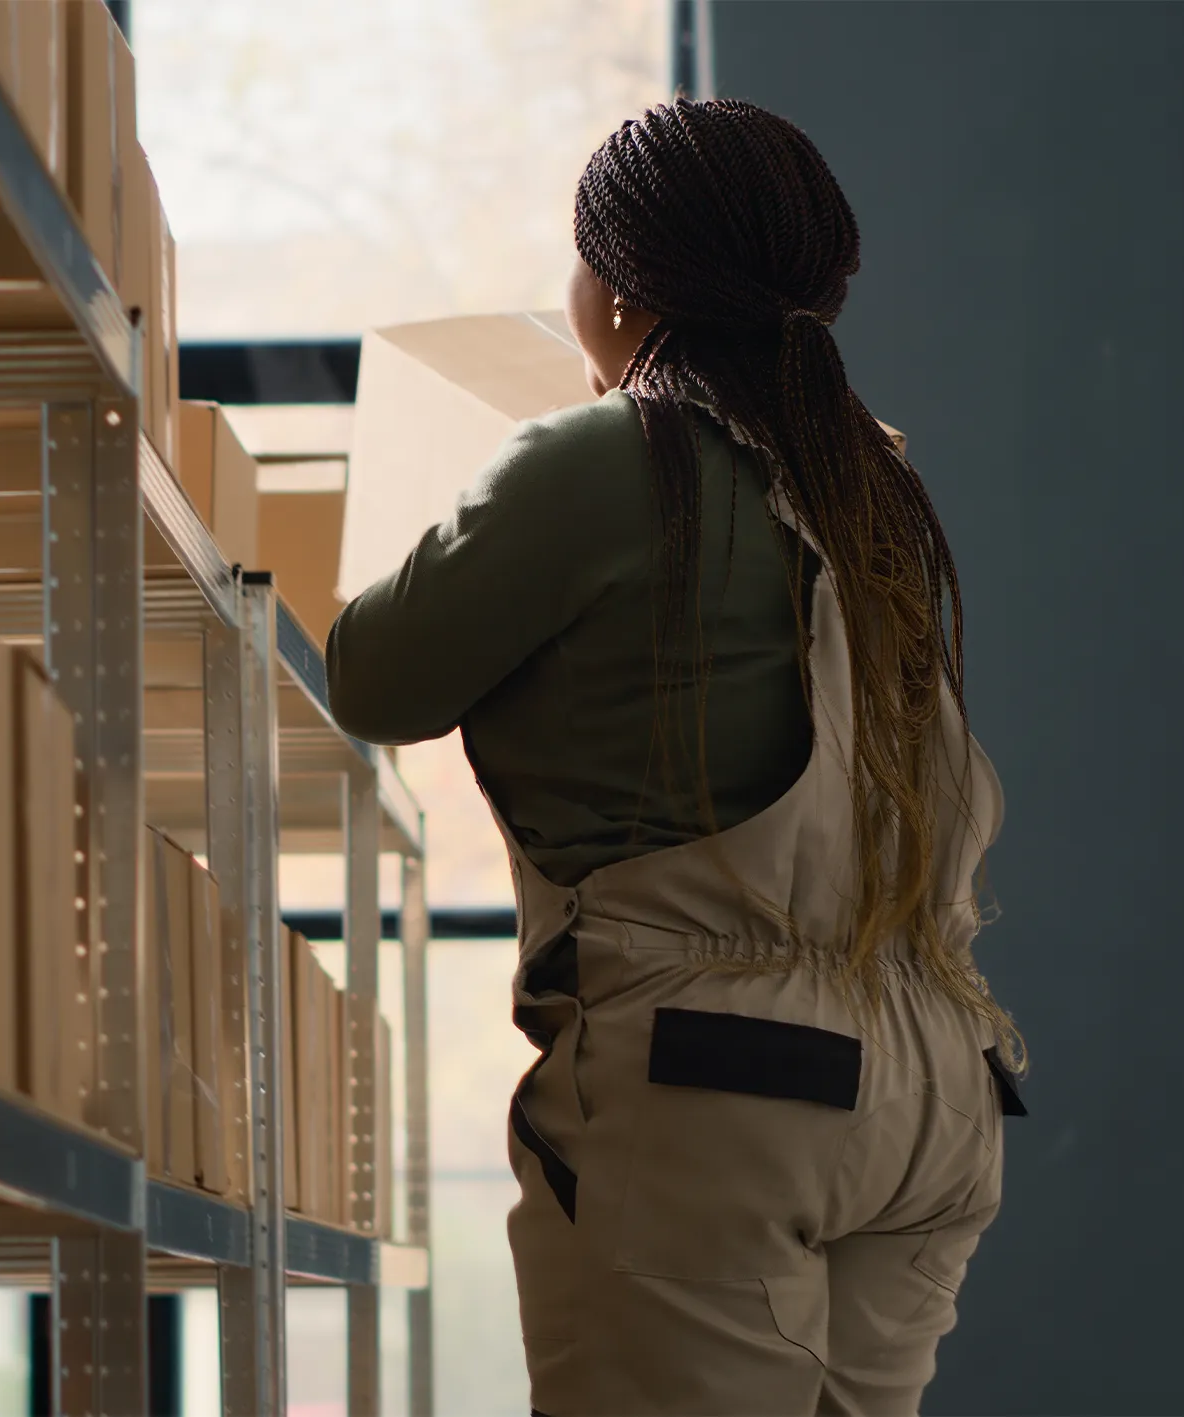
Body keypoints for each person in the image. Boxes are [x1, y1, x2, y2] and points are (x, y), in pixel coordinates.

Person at [325, 99, 1026, 1416]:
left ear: (618, 287)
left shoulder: (611, 459)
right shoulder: (864, 481)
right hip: (932, 1087)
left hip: (725, 1084)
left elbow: (375, 676)